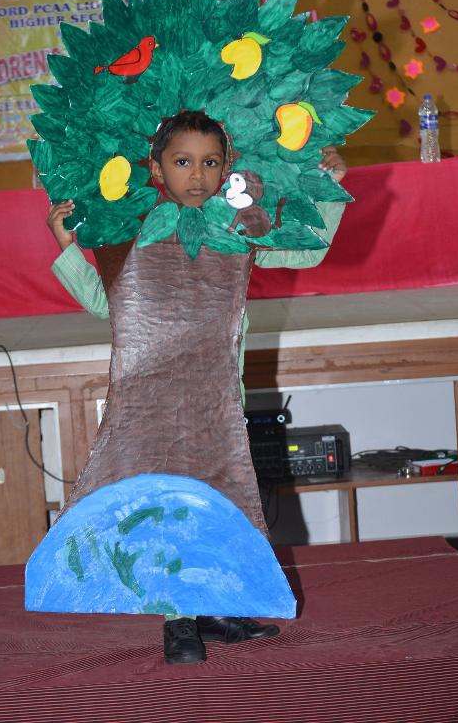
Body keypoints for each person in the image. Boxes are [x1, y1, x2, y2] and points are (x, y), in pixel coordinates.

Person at [45, 110, 347, 665]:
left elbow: (305, 251)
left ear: (226, 167)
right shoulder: (139, 232)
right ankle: (177, 621)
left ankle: (215, 605)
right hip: (153, 399)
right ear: (157, 170)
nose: (198, 175)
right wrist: (68, 245)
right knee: (166, 499)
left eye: (210, 163)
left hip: (215, 397)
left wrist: (328, 191)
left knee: (222, 494)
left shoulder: (237, 226)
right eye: (183, 162)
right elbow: (105, 304)